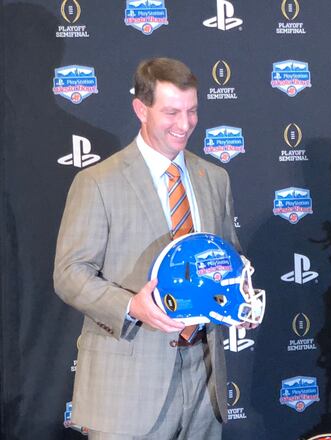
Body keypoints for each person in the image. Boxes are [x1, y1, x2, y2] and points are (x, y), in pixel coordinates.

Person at [54, 58, 245, 439]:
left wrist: (239, 297)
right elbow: (69, 274)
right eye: (172, 112)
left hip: (204, 379)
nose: (185, 123)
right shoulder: (98, 182)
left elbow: (228, 260)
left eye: (192, 111)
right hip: (128, 387)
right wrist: (131, 307)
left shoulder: (215, 179)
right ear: (141, 109)